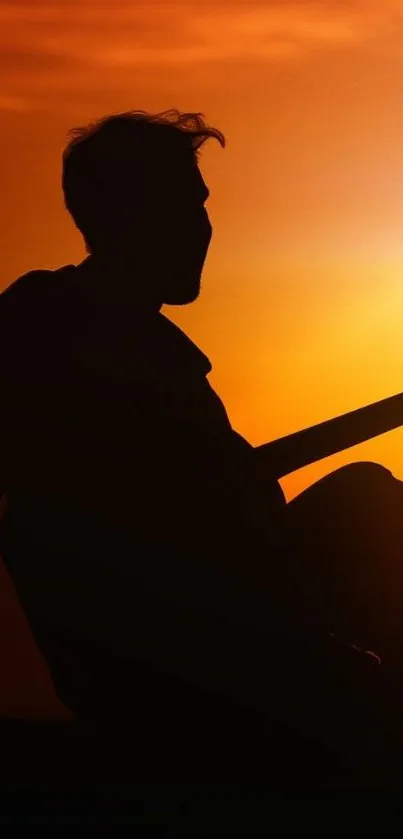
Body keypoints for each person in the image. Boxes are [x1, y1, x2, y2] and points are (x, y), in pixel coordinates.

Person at [1, 109, 403, 784]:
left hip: (187, 640)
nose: (203, 228)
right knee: (367, 499)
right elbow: (205, 528)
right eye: (184, 206)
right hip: (185, 660)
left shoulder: (94, 333)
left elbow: (231, 505)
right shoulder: (68, 332)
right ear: (129, 216)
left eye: (201, 207)